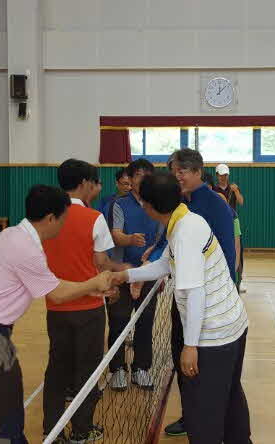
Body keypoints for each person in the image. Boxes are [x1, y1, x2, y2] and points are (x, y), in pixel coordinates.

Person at [0, 185, 115, 444]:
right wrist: (94, 283)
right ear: (51, 218)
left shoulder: (14, 236)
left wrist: (89, 288)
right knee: (7, 429)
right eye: (63, 218)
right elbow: (57, 294)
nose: (64, 225)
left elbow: (53, 284)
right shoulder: (24, 248)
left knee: (10, 424)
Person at [112, 172, 251, 444]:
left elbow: (195, 291)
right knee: (231, 395)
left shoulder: (184, 233)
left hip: (214, 336)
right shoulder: (186, 219)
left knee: (203, 414)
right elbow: (165, 264)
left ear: (150, 206)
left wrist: (190, 346)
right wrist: (125, 276)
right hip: (233, 324)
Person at [163, 149, 237, 438]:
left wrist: (224, 296)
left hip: (207, 302)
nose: (177, 177)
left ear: (197, 172)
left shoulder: (215, 204)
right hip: (185, 297)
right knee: (182, 360)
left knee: (202, 368)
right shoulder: (183, 203)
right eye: (174, 172)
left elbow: (226, 254)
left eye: (181, 172)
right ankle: (191, 415)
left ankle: (205, 422)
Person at [42, 159, 117, 444]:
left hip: (56, 306)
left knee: (57, 369)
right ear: (85, 183)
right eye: (94, 183)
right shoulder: (94, 218)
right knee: (87, 372)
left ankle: (52, 431)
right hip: (89, 308)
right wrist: (117, 279)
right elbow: (102, 262)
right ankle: (82, 431)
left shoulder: (47, 217)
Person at [107, 158, 163, 391]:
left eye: (147, 175)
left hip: (148, 272)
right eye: (138, 174)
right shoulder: (119, 204)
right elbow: (115, 234)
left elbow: (162, 238)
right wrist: (129, 239)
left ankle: (141, 368)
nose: (143, 179)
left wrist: (155, 267)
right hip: (122, 272)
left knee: (145, 321)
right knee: (118, 320)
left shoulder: (157, 204)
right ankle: (117, 369)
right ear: (130, 179)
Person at [213, 164, 247, 293]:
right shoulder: (213, 189)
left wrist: (236, 191)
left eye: (226, 175)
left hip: (233, 223)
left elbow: (241, 202)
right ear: (217, 175)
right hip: (219, 224)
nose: (224, 177)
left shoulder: (233, 188)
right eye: (221, 175)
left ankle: (239, 281)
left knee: (238, 252)